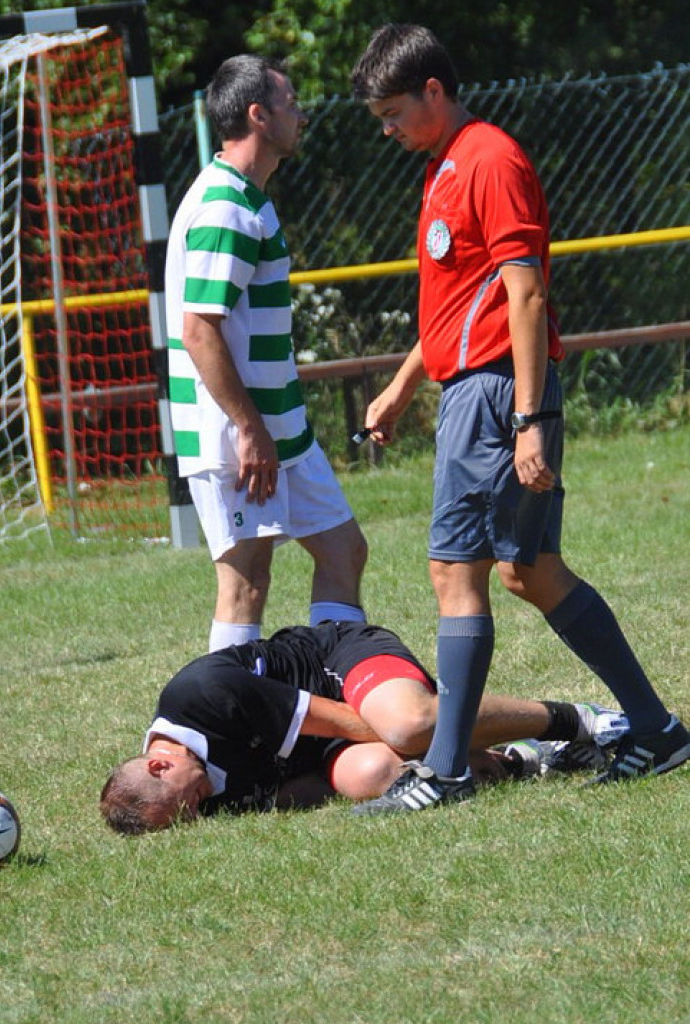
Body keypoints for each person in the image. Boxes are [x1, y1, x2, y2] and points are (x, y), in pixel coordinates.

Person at [348, 24, 690, 814]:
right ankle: (656, 728)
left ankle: (445, 772)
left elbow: (525, 294)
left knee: (454, 573)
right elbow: (454, 304)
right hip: (480, 385)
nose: (389, 129)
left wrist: (530, 416)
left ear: (435, 91)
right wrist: (403, 386)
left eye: (396, 112)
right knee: (527, 569)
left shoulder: (489, 159)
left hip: (497, 393)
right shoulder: (442, 169)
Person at [165, 55, 367, 652]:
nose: (301, 114)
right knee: (245, 583)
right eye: (291, 103)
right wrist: (248, 428)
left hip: (281, 431)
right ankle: (220, 730)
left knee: (343, 548)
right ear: (259, 115)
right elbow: (200, 330)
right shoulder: (225, 208)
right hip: (239, 436)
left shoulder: (249, 198)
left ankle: (337, 681)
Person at [99, 620, 627, 833]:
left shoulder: (201, 697)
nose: (199, 812)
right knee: (374, 774)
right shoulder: (195, 789)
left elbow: (347, 721)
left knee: (405, 725)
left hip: (340, 663)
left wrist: (430, 747)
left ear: (161, 763)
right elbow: (299, 790)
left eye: (185, 806)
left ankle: (579, 722)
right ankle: (527, 760)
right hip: (329, 743)